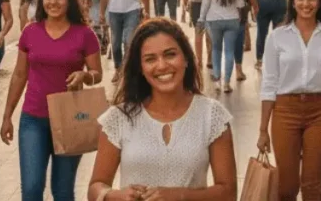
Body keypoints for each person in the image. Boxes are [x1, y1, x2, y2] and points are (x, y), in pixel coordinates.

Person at [88, 19, 237, 201]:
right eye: (150, 59)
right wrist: (113, 195)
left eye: (170, 54)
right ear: (141, 69)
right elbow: (96, 186)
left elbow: (228, 192)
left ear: (187, 59)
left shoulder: (212, 115)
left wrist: (180, 196)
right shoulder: (118, 118)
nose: (162, 65)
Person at [0, 0, 102, 201]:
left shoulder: (84, 34)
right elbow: (19, 75)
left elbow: (97, 74)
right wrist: (7, 116)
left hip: (70, 120)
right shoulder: (30, 31)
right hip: (33, 119)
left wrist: (85, 75)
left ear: (69, 1)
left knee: (63, 192)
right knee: (32, 189)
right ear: (41, 1)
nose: (53, 2)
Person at [258, 0, 321, 201]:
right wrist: (262, 129)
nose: (306, 4)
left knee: (312, 184)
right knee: (287, 186)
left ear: (320, 2)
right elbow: (269, 83)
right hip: (285, 111)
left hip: (320, 112)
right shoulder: (277, 37)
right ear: (292, 1)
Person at [198, 0, 246, 94]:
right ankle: (226, 84)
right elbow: (240, 4)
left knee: (216, 50)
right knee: (229, 51)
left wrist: (201, 18)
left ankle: (217, 80)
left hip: (214, 20)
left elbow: (205, 3)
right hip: (232, 20)